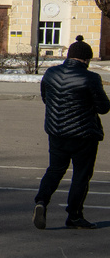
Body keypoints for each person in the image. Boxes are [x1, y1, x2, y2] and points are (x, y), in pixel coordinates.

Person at [33, 36, 110, 230]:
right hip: (83, 135)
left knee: (55, 169)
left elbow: (46, 98)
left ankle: (41, 201)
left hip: (56, 132)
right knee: (81, 175)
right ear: (86, 59)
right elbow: (103, 108)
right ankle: (74, 215)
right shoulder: (91, 78)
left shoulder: (51, 73)